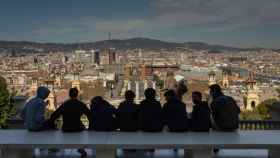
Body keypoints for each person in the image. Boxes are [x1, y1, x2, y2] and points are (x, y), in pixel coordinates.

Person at [49, 88, 91, 157]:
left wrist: (53, 125)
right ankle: (81, 149)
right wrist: (90, 127)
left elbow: (54, 115)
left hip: (66, 128)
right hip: (78, 128)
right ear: (77, 94)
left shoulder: (65, 105)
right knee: (82, 128)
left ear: (69, 95)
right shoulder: (80, 104)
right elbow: (89, 115)